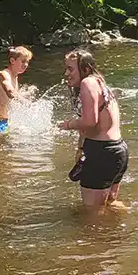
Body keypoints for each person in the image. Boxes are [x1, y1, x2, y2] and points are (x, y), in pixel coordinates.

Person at [58, 49, 128, 208]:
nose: (66, 73)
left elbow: (90, 121)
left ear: (85, 69)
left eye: (70, 69)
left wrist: (69, 124)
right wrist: (81, 147)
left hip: (101, 153)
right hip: (118, 150)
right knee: (111, 204)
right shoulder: (100, 83)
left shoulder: (87, 83)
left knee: (92, 214)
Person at [0, 46, 33, 135]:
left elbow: (11, 97)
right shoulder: (4, 74)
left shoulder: (15, 76)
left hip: (4, 122)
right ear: (12, 61)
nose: (26, 64)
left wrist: (26, 93)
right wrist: (25, 102)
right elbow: (10, 92)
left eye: (27, 62)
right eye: (23, 61)